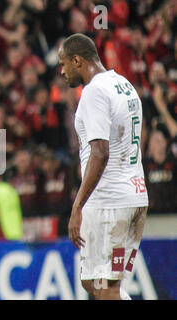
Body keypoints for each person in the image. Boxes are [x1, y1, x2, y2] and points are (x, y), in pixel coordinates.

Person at [58, 33, 149, 300]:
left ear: (77, 60)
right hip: (134, 194)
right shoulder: (123, 84)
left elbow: (100, 151)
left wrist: (77, 206)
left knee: (103, 286)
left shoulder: (94, 91)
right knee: (96, 284)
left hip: (109, 201)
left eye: (64, 64)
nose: (62, 72)